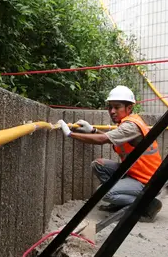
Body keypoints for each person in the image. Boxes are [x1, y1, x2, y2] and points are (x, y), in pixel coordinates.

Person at [57, 85, 163, 222]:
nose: (112, 111)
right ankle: (121, 202)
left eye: (117, 107)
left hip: (148, 182)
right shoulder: (125, 123)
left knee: (104, 192)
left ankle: (148, 204)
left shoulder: (131, 126)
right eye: (110, 107)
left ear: (129, 108)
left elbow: (103, 139)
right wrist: (93, 131)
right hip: (135, 173)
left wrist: (70, 134)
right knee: (98, 165)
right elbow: (110, 138)